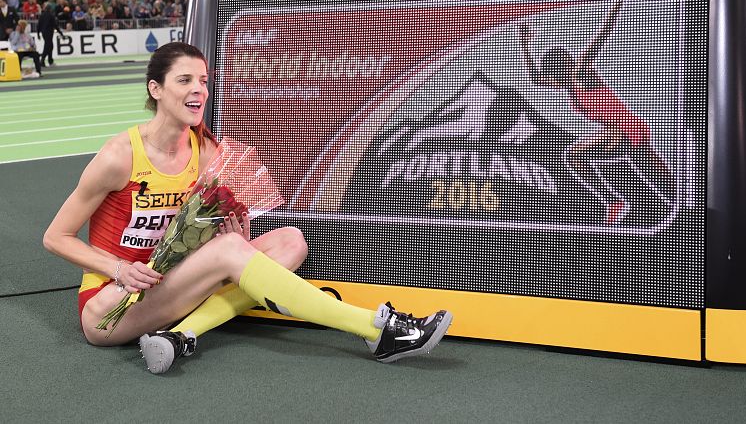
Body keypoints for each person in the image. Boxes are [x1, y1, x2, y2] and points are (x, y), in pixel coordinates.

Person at [43, 42, 452, 375]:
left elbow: (195, 230)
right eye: (184, 80)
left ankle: (179, 336)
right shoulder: (120, 156)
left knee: (291, 242)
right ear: (156, 89)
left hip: (171, 287)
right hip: (111, 306)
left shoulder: (205, 150)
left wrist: (233, 239)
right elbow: (55, 237)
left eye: (203, 81)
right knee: (232, 254)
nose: (198, 90)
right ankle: (374, 329)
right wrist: (119, 268)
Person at [520, 0, 675, 224]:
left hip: (623, 129)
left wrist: (616, 5)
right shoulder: (567, 85)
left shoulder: (580, 73)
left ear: (563, 65)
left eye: (553, 70)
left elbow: (599, 39)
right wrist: (525, 44)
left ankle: (676, 200)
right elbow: (535, 80)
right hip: (621, 130)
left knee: (580, 155)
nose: (551, 78)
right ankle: (623, 202)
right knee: (649, 166)